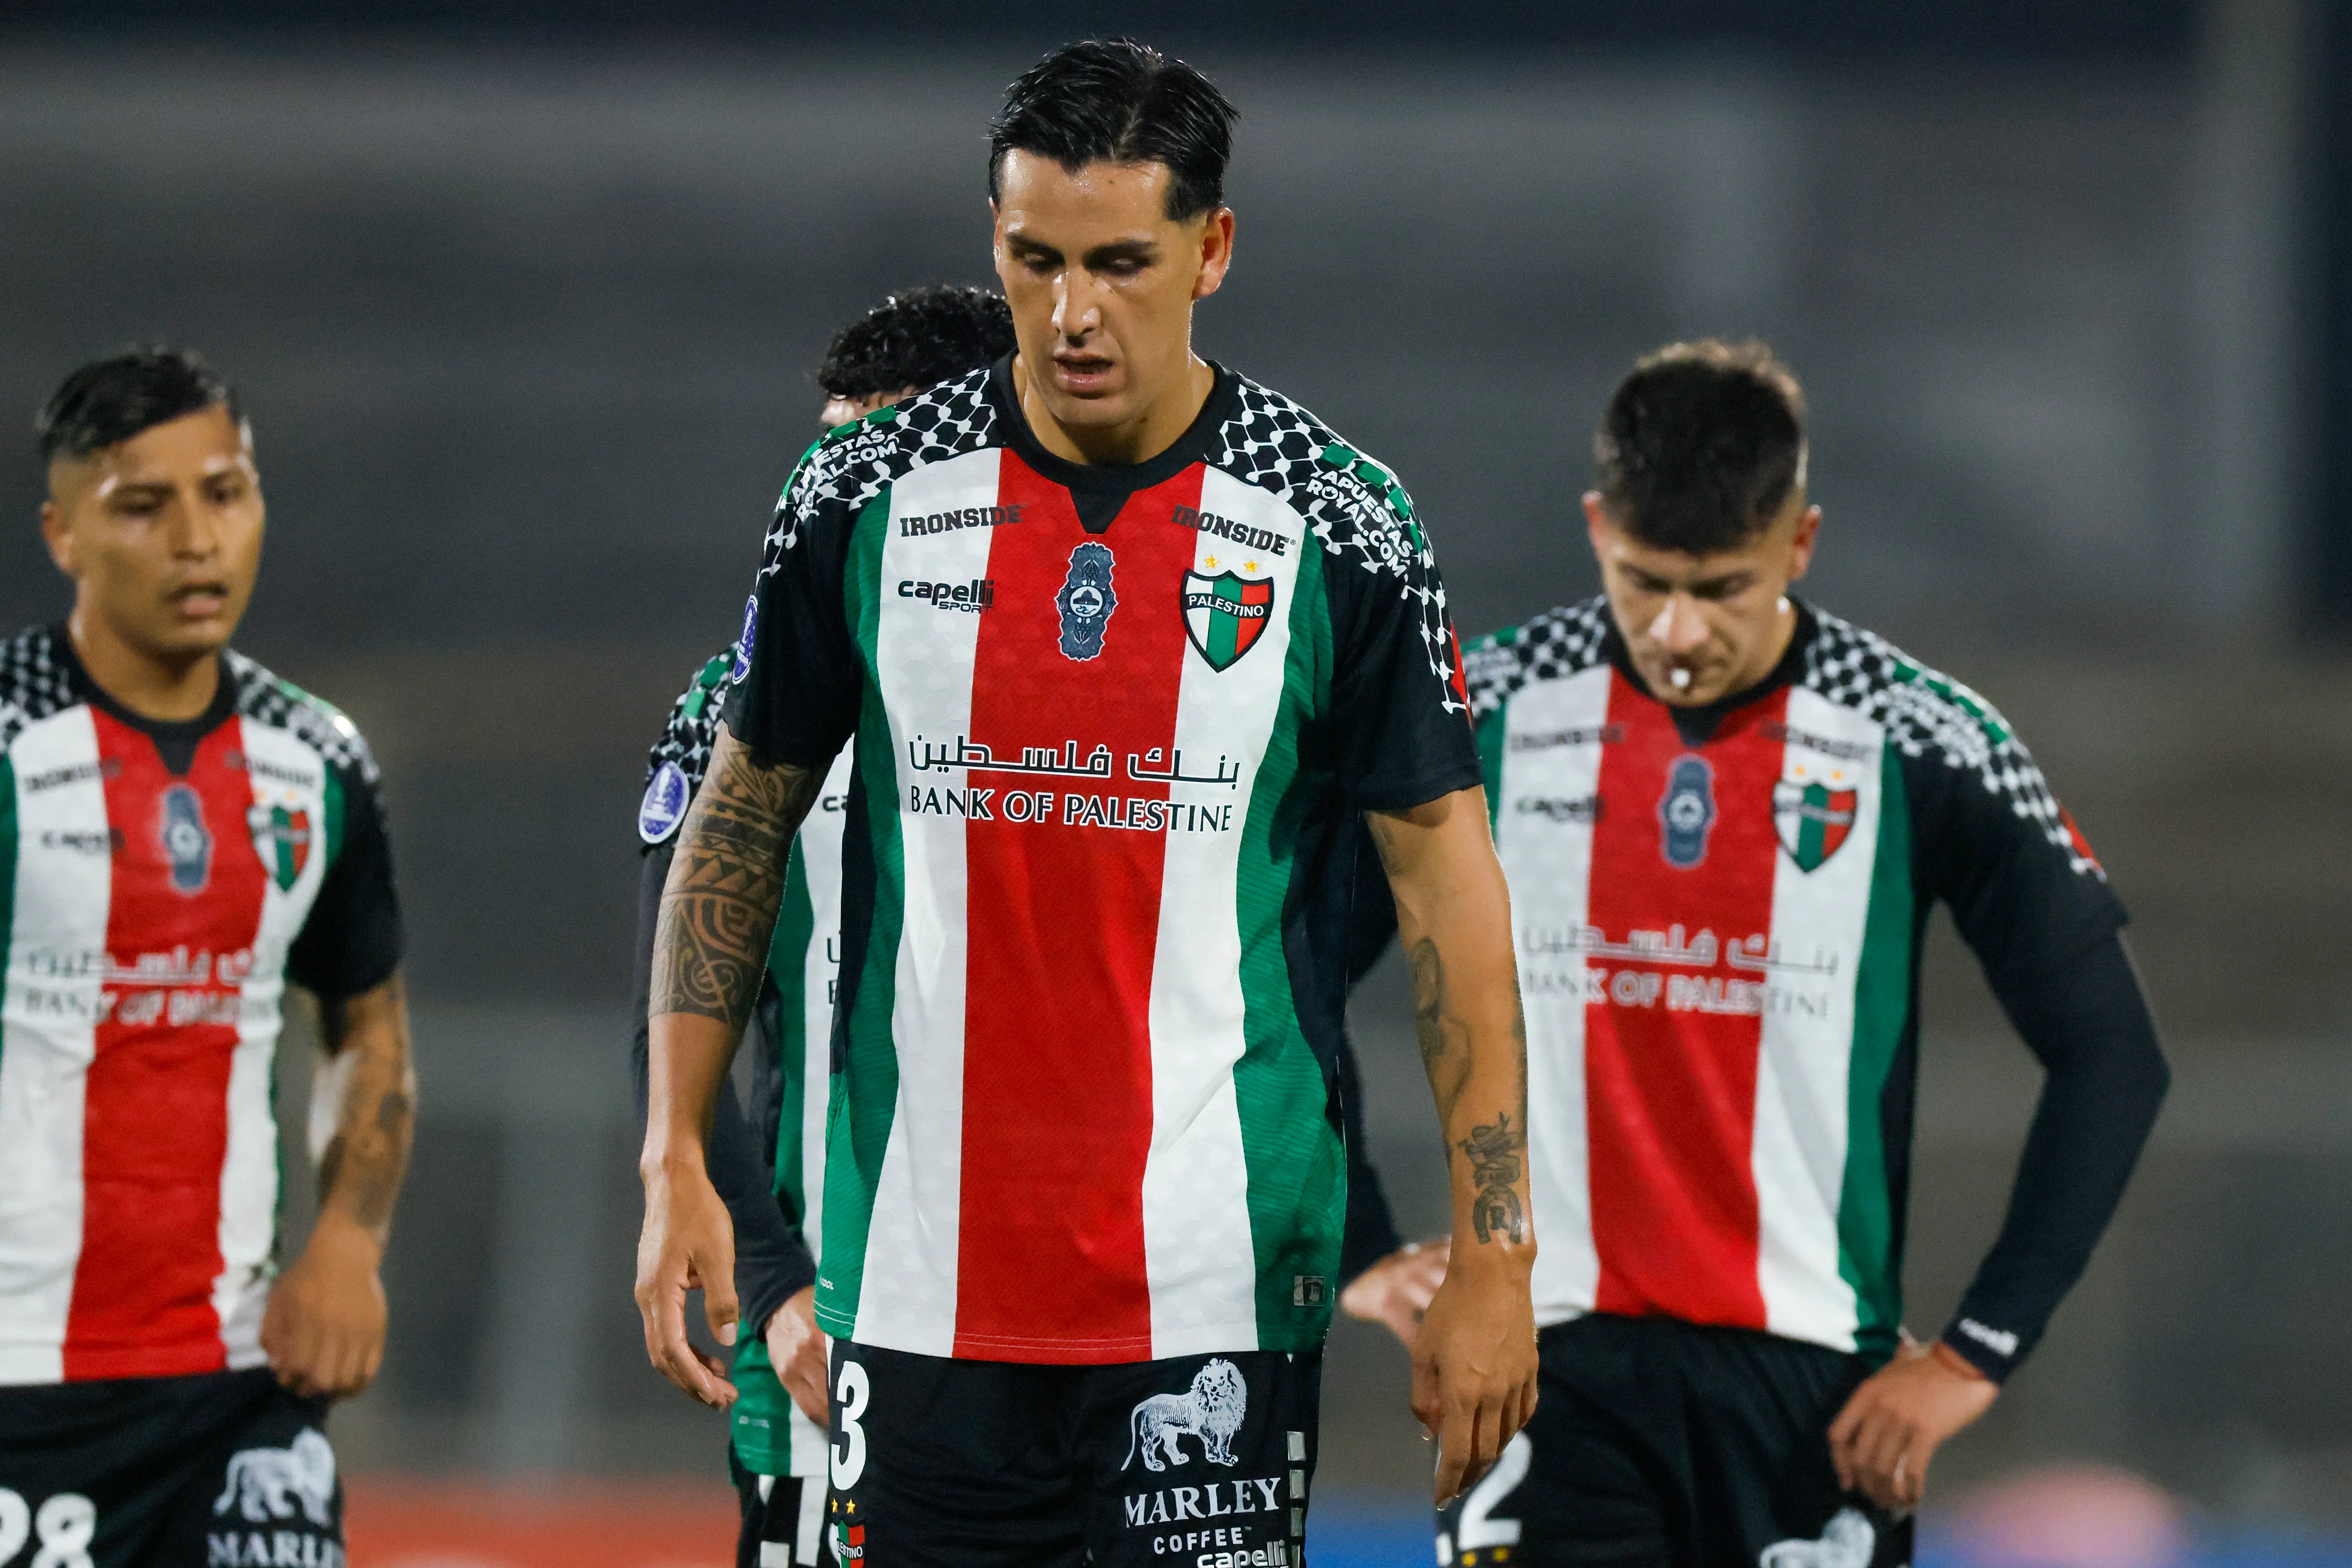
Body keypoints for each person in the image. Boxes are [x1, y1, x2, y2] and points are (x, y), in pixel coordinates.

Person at [635, 39, 1538, 1567]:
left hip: (1219, 1286)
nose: (1072, 314)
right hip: (911, 1293)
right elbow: (738, 820)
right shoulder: (863, 496)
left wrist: (1498, 1258)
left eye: (1120, 263)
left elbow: (1449, 884)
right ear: (994, 238)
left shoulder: (1340, 522)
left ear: (1213, 250)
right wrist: (672, 1156)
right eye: (1034, 259)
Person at [1416, 340, 2167, 1567]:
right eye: (1644, 579)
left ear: (1801, 547)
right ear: (1597, 526)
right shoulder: (1480, 712)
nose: (1676, 630)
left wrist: (1977, 1353)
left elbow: (2115, 1056)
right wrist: (1374, 1253)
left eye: (1723, 588)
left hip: (1814, 1399)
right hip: (1544, 1370)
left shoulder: (1926, 740)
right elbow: (1286, 964)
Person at [0, 349, 412, 1568]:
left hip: (238, 1384)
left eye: (225, 493)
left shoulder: (318, 759)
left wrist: (347, 1241)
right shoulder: (12, 746)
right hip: (19, 1380)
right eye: (144, 504)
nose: (197, 539)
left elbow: (368, 1028)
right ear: (63, 533)